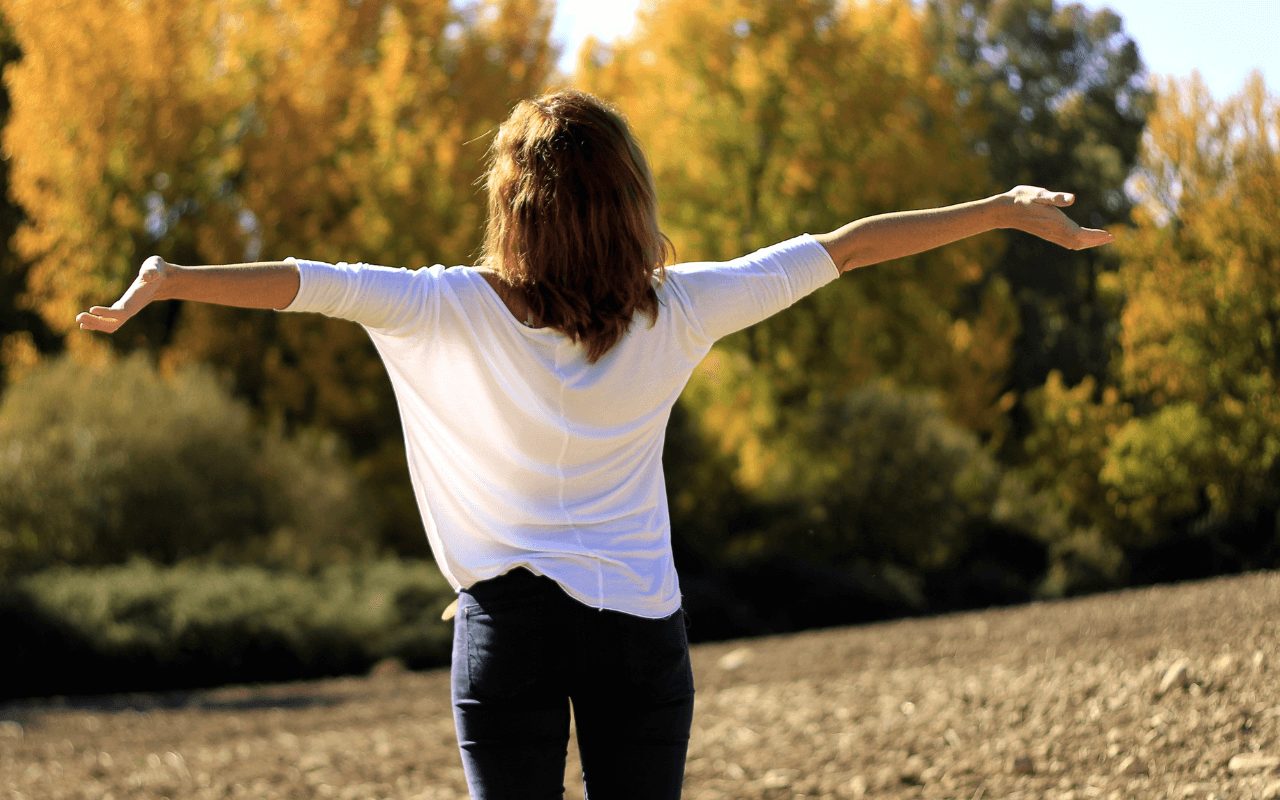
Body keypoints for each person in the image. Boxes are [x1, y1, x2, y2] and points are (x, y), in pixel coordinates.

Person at [77, 88, 1113, 799]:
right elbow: (846, 248)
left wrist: (170, 278)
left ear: (510, 208)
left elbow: (304, 281)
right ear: (629, 206)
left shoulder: (440, 308)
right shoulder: (684, 307)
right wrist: (999, 211)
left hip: (505, 629)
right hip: (638, 630)